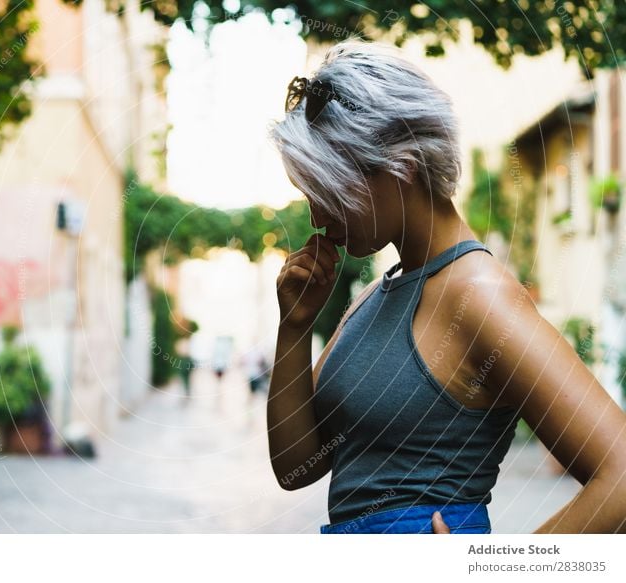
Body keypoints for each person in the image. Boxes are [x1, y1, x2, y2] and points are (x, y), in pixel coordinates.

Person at [266, 40, 626, 534]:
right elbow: (295, 466)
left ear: (402, 165)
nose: (317, 215)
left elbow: (621, 474)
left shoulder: (478, 295)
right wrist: (294, 327)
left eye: (329, 191)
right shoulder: (375, 297)